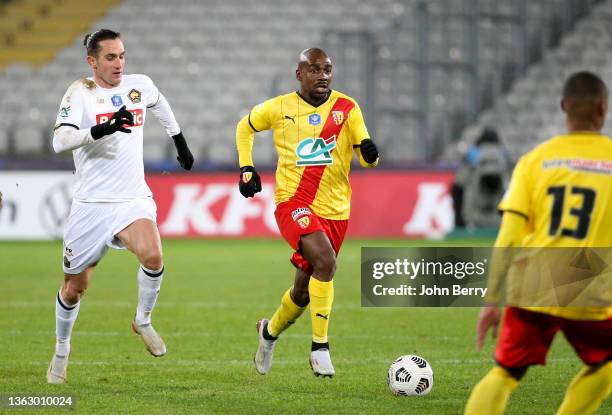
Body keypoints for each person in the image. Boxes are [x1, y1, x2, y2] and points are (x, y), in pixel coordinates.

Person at [47, 29, 194, 384]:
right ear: (92, 61)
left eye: (122, 55)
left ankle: (142, 320)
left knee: (154, 256)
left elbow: (160, 103)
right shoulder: (80, 92)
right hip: (91, 204)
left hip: (131, 198)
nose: (119, 63)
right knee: (74, 288)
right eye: (110, 57)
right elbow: (59, 140)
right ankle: (62, 349)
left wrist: (179, 141)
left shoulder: (139, 85)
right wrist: (102, 128)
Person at [465, 71, 612, 414]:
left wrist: (491, 300)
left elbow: (509, 234)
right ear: (603, 108)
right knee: (605, 362)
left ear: (564, 107)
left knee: (506, 371)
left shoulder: (535, 160)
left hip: (533, 280)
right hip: (588, 281)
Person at [235, 48, 379, 377]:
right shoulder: (279, 107)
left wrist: (371, 154)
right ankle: (320, 347)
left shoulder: (347, 108)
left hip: (336, 211)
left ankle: (268, 333)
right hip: (293, 202)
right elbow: (245, 127)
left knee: (302, 291)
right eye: (314, 70)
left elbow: (366, 157)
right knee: (327, 262)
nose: (323, 75)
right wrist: (246, 167)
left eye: (327, 69)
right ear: (299, 74)